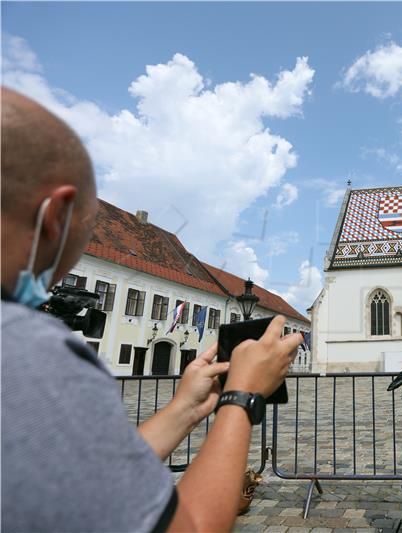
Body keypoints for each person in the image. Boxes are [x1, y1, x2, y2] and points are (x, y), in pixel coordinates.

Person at [0, 87, 303, 532]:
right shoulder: (27, 354)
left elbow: (97, 481)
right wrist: (243, 396)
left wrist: (183, 409)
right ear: (57, 214)